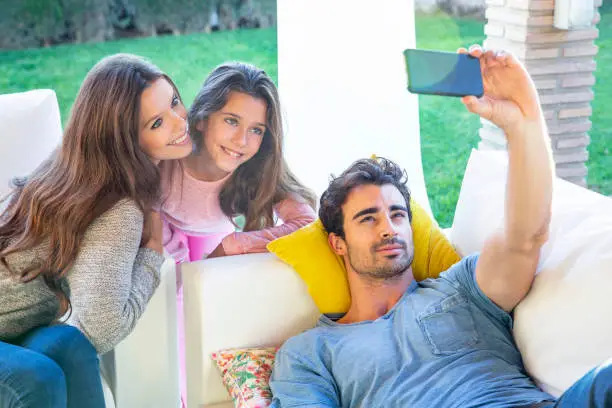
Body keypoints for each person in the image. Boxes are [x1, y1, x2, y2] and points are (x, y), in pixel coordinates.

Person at [269, 45, 612, 407]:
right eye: (368, 218)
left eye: (398, 214)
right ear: (338, 243)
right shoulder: (310, 352)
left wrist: (521, 120)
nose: (389, 228)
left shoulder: (461, 288)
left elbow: (525, 235)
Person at [0, 53, 193, 407]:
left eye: (175, 103)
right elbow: (103, 326)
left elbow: (88, 334)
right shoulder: (118, 204)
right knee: (36, 378)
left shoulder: (76, 162)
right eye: (156, 123)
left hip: (9, 331)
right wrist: (151, 250)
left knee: (71, 347)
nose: (180, 123)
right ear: (124, 139)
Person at [160, 61, 316, 263]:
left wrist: (234, 244)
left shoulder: (258, 168)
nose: (241, 141)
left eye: (256, 130)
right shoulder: (168, 157)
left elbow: (307, 224)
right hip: (163, 237)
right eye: (232, 121)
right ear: (202, 119)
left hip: (213, 241)